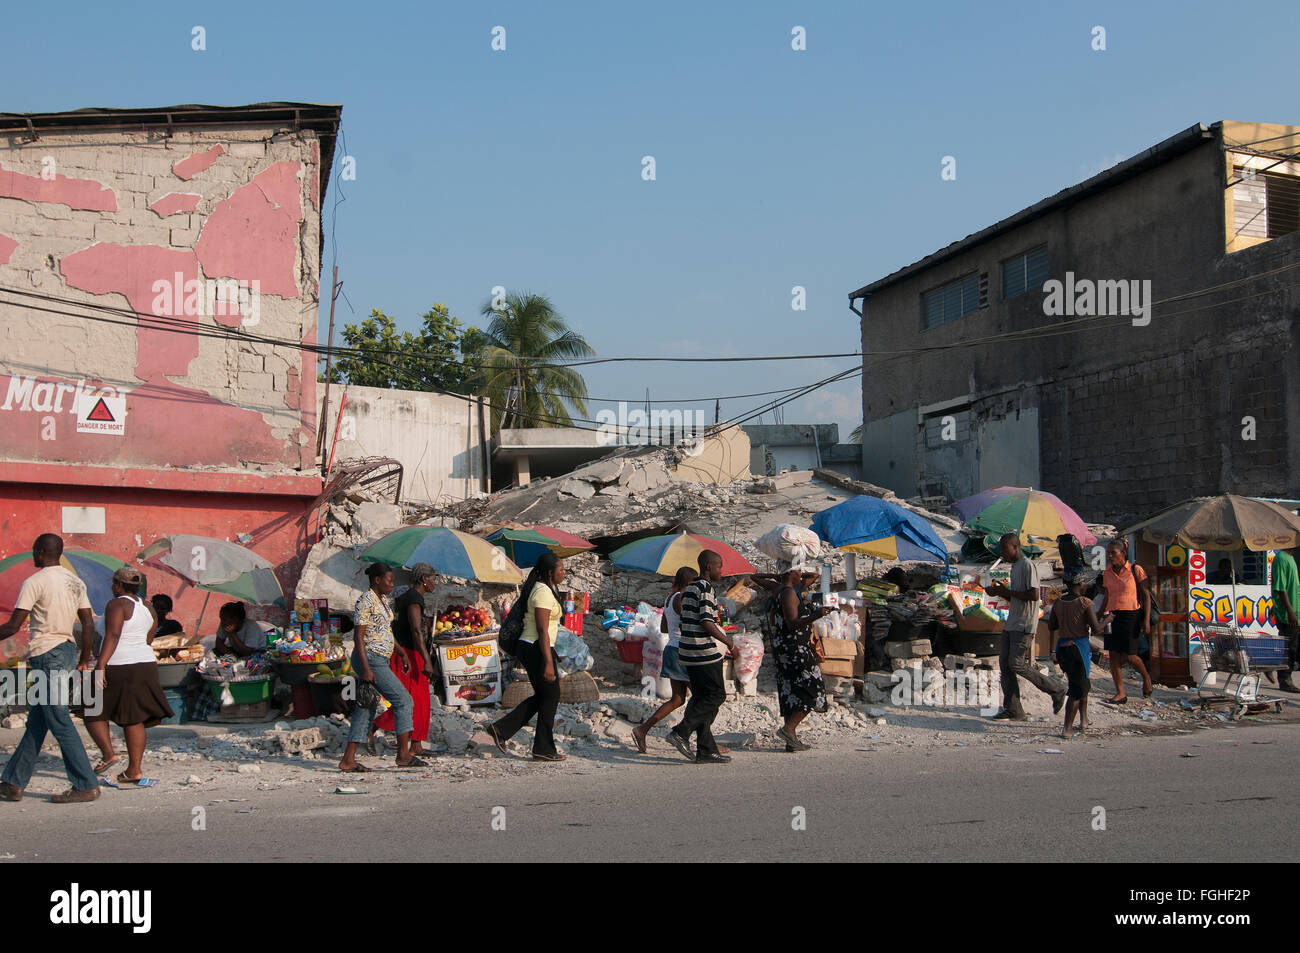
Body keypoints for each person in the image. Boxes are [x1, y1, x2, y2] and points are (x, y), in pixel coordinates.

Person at [0, 534, 100, 803]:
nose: (33, 555)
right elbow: (88, 624)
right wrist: (84, 658)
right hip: (67, 650)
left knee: (58, 718)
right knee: (38, 721)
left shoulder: (34, 581)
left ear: (41, 552)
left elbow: (12, 626)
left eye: (34, 551)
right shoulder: (74, 581)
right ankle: (12, 783)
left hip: (46, 653)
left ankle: (86, 784)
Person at [84, 567, 172, 783]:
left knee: (90, 708)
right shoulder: (148, 607)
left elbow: (113, 636)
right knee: (134, 718)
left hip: (119, 664)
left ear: (118, 585)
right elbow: (149, 638)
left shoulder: (117, 604)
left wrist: (101, 665)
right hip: (145, 664)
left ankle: (108, 754)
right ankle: (134, 770)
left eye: (113, 584)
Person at [339, 563, 425, 772]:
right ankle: (403, 755)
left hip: (381, 657)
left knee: (366, 705)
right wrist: (367, 669)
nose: (392, 584)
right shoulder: (365, 601)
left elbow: (385, 632)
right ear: (377, 580)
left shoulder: (384, 601)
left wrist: (401, 652)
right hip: (370, 658)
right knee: (403, 700)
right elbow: (359, 637)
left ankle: (348, 760)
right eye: (389, 580)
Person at [488, 553, 568, 762]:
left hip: (534, 646)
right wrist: (549, 663)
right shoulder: (542, 592)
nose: (564, 573)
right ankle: (542, 748)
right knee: (551, 695)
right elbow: (542, 629)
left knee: (545, 696)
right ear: (550, 573)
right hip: (536, 647)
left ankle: (502, 730)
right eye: (561, 569)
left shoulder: (546, 589)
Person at [665, 550, 738, 764]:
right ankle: (681, 731)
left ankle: (706, 749)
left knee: (701, 698)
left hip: (687, 651)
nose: (721, 571)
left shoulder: (689, 589)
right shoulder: (705, 588)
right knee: (716, 696)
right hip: (703, 651)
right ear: (708, 567)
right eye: (719, 566)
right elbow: (707, 621)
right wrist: (729, 642)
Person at [631, 567, 711, 754]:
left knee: (678, 699)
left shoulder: (669, 598)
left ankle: (642, 729)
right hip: (683, 651)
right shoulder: (683, 597)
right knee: (702, 699)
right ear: (690, 583)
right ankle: (705, 743)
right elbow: (687, 623)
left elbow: (665, 628)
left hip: (671, 649)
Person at [986, 533, 1066, 720]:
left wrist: (1005, 591)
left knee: (1017, 664)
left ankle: (1056, 689)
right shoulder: (1014, 568)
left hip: (1024, 623)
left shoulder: (1027, 566)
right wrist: (999, 592)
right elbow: (1016, 596)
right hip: (1012, 622)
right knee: (1005, 665)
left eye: (1005, 549)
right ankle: (1013, 709)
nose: (1002, 553)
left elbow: (1033, 595)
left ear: (1015, 547)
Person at [759, 564, 833, 752]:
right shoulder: (789, 593)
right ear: (791, 573)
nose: (802, 574)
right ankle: (788, 729)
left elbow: (814, 575)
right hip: (795, 649)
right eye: (798, 570)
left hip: (784, 648)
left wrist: (782, 575)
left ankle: (790, 739)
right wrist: (816, 615)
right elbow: (792, 624)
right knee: (813, 689)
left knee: (790, 690)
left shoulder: (781, 589)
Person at [371, 563, 437, 755]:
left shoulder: (407, 597)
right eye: (433, 578)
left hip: (406, 652)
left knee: (420, 700)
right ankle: (373, 726)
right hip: (408, 654)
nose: (434, 583)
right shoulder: (414, 599)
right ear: (424, 579)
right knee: (409, 700)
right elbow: (416, 631)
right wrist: (426, 659)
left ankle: (416, 744)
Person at [1048, 569, 1111, 739]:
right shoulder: (1085, 603)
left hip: (1062, 648)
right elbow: (1097, 628)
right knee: (1076, 690)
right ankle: (1067, 728)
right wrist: (1108, 619)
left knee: (1081, 683)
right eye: (1084, 582)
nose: (1086, 585)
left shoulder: (1059, 602)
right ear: (1079, 584)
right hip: (1078, 648)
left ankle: (1084, 719)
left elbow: (1051, 626)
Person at [1100, 540, 1154, 703]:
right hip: (1113, 615)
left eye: (1113, 553)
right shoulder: (1107, 573)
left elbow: (1146, 595)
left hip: (1131, 615)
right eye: (1108, 553)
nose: (1110, 556)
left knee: (1130, 655)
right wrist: (1099, 615)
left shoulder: (1135, 570)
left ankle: (1146, 678)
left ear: (1123, 554)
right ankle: (1120, 693)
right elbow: (1107, 596)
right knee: (1114, 655)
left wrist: (1145, 620)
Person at [1271, 545, 1299, 693]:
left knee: (1292, 647)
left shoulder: (1289, 558)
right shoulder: (1282, 558)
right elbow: (1280, 588)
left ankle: (1271, 666)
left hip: (1293, 611)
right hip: (1289, 614)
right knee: (1289, 648)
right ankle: (1285, 680)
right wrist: (1290, 611)